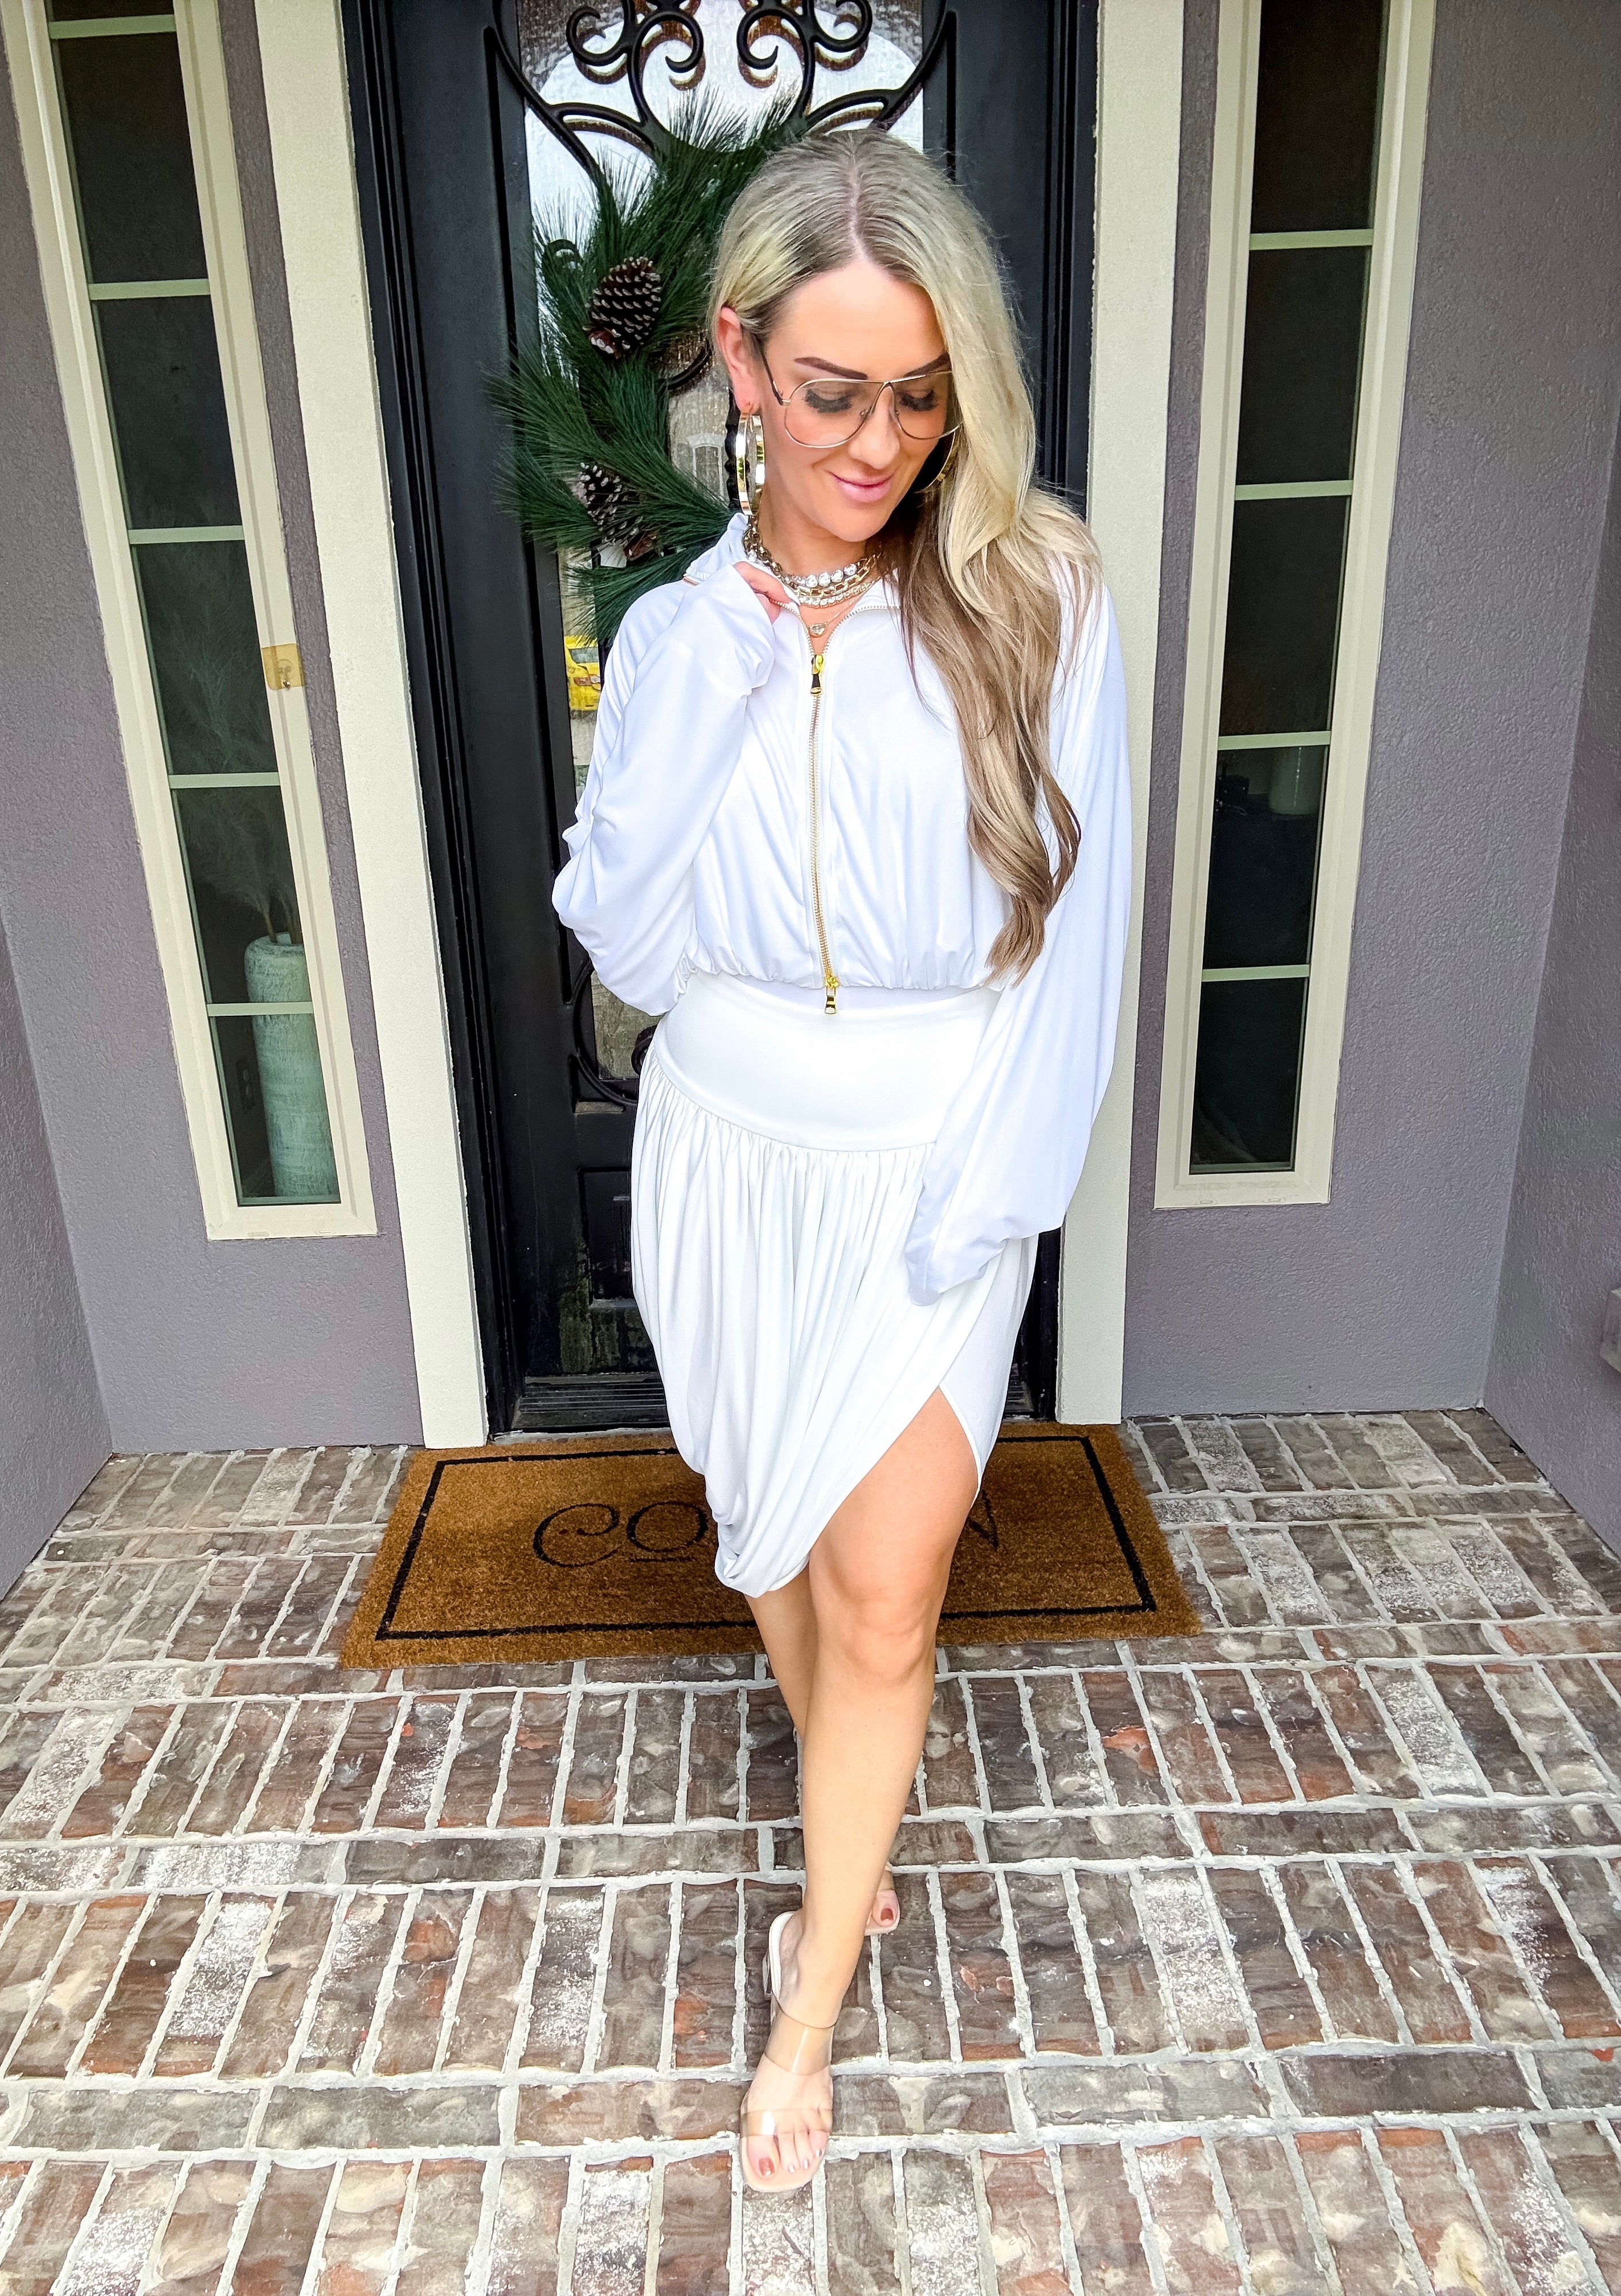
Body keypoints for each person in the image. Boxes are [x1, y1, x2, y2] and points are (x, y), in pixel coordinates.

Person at [552, 128, 1131, 2193]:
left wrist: (992, 1196)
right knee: (779, 1546)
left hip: (926, 1150)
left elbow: (1079, 934)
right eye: (828, 393)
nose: (878, 444)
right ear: (736, 360)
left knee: (885, 1589)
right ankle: (846, 1816)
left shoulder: (1035, 588)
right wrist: (724, 656)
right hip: (725, 1147)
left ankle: (810, 1998)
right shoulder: (669, 636)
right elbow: (625, 950)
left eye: (918, 394)